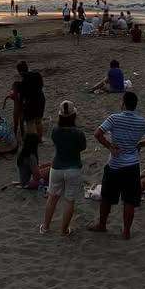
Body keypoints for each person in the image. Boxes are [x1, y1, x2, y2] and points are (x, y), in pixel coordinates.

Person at [90, 91, 145, 239]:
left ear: (123, 103)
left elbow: (97, 134)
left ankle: (102, 224)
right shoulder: (141, 121)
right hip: (132, 165)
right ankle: (126, 231)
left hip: (114, 164)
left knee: (107, 197)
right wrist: (141, 144)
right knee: (129, 200)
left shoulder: (114, 118)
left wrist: (109, 146)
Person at [41, 101, 87, 236]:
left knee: (52, 198)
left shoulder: (55, 130)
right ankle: (64, 230)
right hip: (73, 167)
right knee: (69, 200)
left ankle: (45, 227)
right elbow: (82, 147)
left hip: (57, 167)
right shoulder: (78, 133)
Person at [17, 61, 46, 138]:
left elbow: (22, 97)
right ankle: (40, 138)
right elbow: (41, 86)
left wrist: (21, 106)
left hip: (30, 103)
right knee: (38, 121)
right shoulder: (37, 75)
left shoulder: (23, 82)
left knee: (29, 122)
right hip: (40, 99)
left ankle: (33, 140)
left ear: (20, 72)